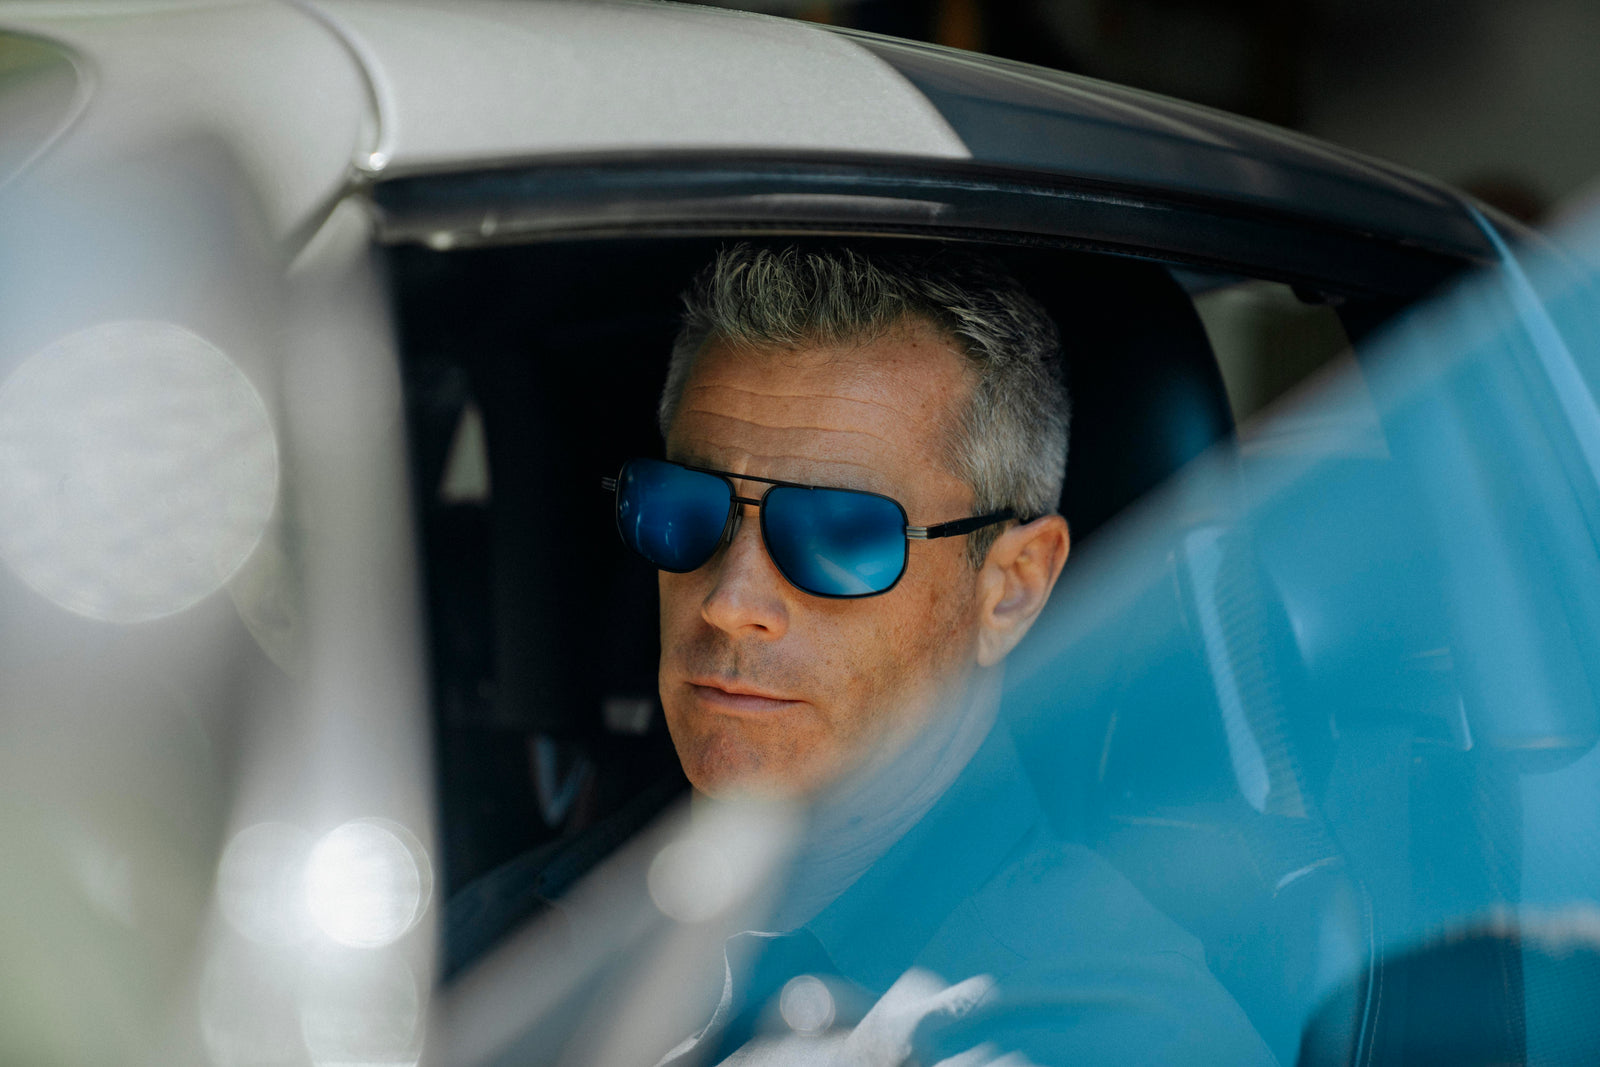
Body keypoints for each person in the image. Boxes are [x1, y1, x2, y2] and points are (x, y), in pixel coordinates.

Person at [609, 243, 1275, 1065]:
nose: (729, 600)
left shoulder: (1095, 1033)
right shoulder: (533, 922)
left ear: (1013, 587)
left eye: (839, 535)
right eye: (685, 507)